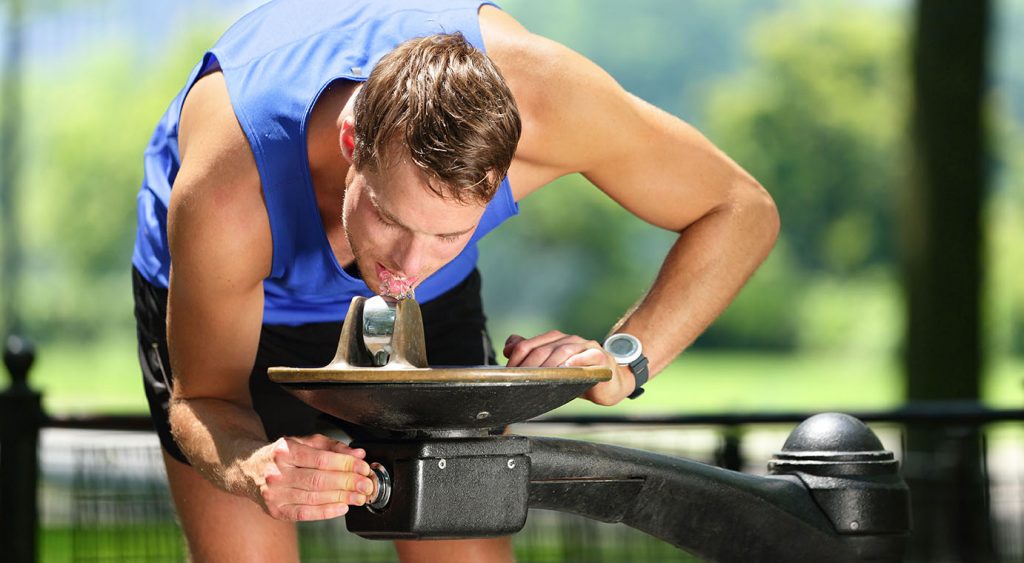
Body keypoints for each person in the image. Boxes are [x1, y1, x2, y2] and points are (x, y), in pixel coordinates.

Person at [131, 1, 779, 561]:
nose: (406, 267)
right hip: (238, 301)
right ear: (353, 140)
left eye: (448, 234)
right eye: (390, 218)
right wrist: (249, 466)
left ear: (507, 174)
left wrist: (620, 363)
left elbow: (739, 210)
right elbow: (204, 398)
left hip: (436, 314)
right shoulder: (229, 183)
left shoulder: (555, 104)